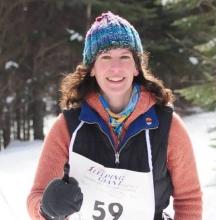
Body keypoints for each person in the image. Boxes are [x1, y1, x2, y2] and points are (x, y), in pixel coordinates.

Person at [27, 11, 202, 220]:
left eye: (124, 57)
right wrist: (46, 209)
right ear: (92, 68)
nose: (116, 67)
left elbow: (188, 200)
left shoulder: (167, 125)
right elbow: (36, 196)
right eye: (106, 57)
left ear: (137, 67)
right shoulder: (68, 126)